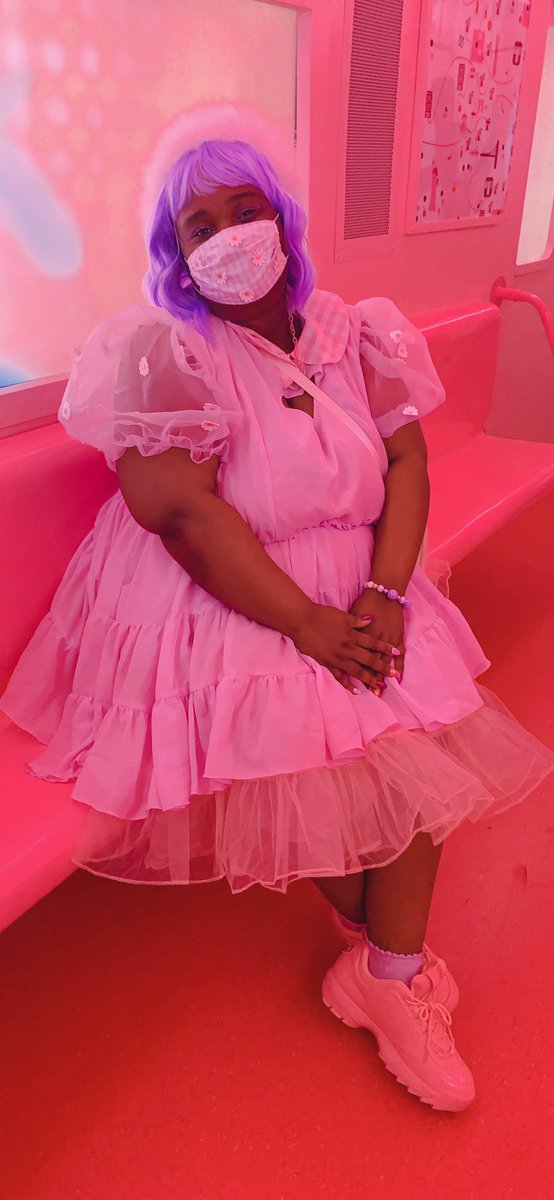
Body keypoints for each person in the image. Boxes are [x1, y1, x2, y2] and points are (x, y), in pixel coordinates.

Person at [2, 104, 553, 1113]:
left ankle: (385, 972)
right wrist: (304, 624)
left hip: (365, 578)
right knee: (338, 759)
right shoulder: (167, 354)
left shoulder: (353, 332)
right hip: (230, 593)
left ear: (283, 219)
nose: (228, 237)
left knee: (418, 736)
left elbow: (405, 460)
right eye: (199, 225)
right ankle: (389, 963)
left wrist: (386, 591)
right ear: (174, 254)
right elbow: (181, 518)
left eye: (244, 210)